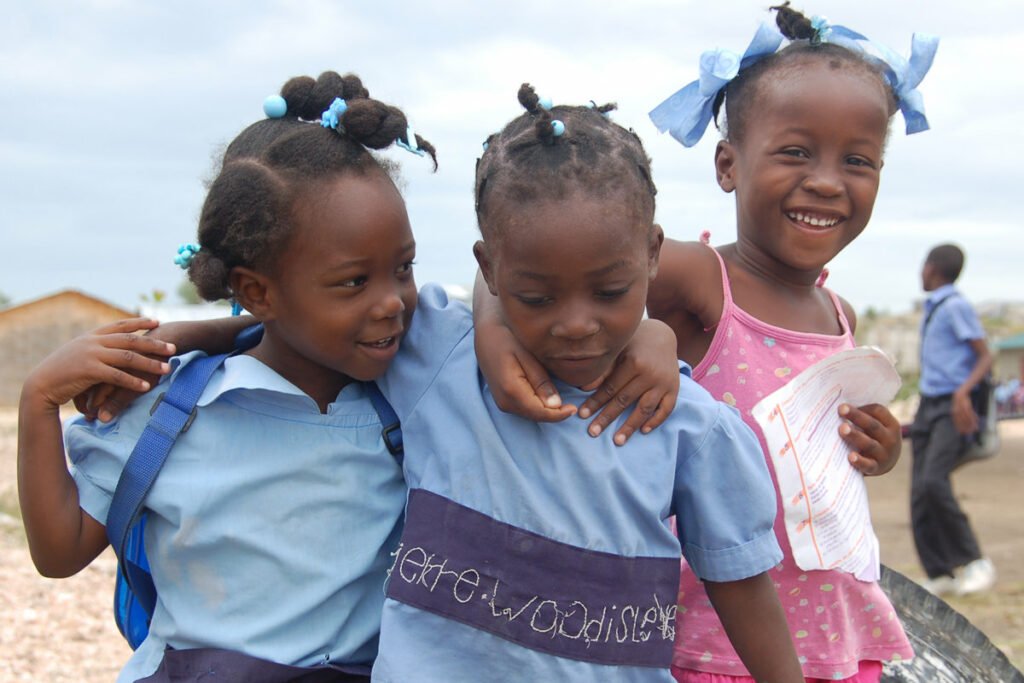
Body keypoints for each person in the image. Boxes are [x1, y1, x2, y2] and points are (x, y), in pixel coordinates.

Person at [488, 5, 932, 681]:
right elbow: (531, 267)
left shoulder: (838, 312)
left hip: (831, 635)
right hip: (708, 636)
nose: (826, 180)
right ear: (728, 164)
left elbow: (810, 459)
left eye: (859, 160)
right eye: (795, 152)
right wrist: (502, 337)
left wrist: (878, 448)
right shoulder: (705, 279)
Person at [369, 85, 804, 682]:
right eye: (537, 297)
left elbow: (744, 587)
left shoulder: (686, 425)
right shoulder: (439, 358)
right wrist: (205, 334)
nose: (576, 325)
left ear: (652, 254)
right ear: (489, 267)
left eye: (609, 292)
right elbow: (302, 323)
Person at [18, 71, 439, 682]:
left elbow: (514, 305)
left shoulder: (411, 391)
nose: (391, 303)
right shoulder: (173, 408)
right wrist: (37, 402)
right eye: (354, 281)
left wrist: (638, 334)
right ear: (257, 291)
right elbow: (58, 554)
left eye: (403, 268)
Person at [911, 243, 995, 596]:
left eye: (924, 265)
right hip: (928, 404)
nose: (921, 273)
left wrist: (963, 393)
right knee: (918, 491)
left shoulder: (955, 306)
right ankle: (940, 571)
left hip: (950, 405)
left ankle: (975, 561)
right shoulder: (933, 308)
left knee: (934, 480)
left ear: (932, 268)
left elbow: (985, 356)